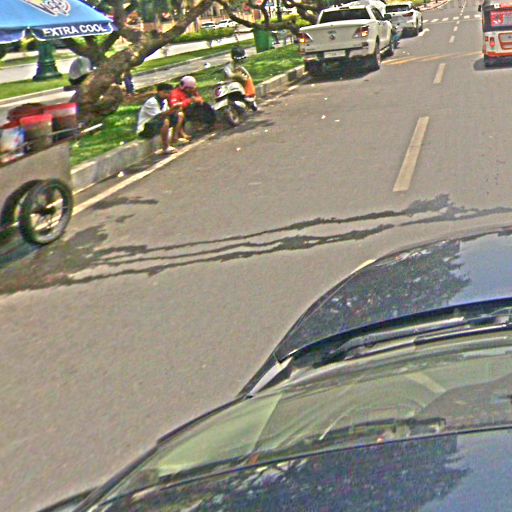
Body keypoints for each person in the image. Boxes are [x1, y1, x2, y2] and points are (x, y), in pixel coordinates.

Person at [137, 83, 185, 154]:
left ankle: (175, 139)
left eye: (169, 93)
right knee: (165, 121)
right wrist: (172, 109)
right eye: (165, 92)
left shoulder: (164, 101)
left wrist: (175, 110)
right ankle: (165, 147)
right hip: (145, 128)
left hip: (155, 124)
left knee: (179, 115)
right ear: (159, 92)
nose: (167, 95)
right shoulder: (152, 102)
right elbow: (160, 116)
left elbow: (167, 113)